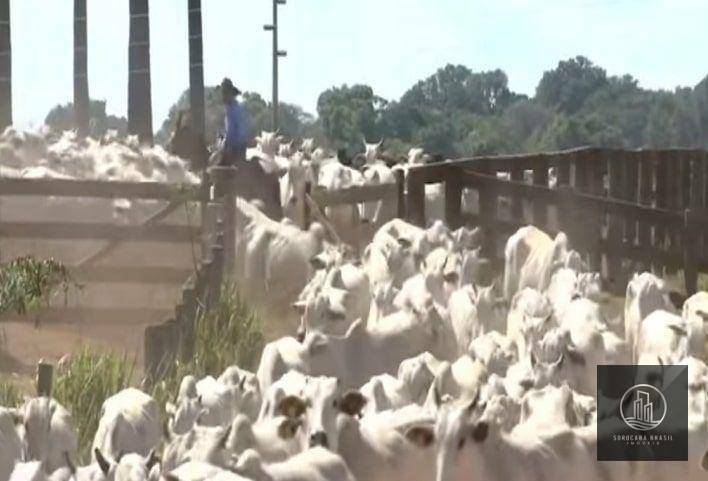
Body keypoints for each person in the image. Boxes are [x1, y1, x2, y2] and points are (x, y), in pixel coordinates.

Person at [220, 77, 249, 166]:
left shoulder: (233, 109)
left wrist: (226, 143)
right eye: (223, 93)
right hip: (238, 147)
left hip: (236, 149)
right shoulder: (233, 108)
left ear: (230, 94)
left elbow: (232, 131)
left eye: (225, 93)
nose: (223, 96)